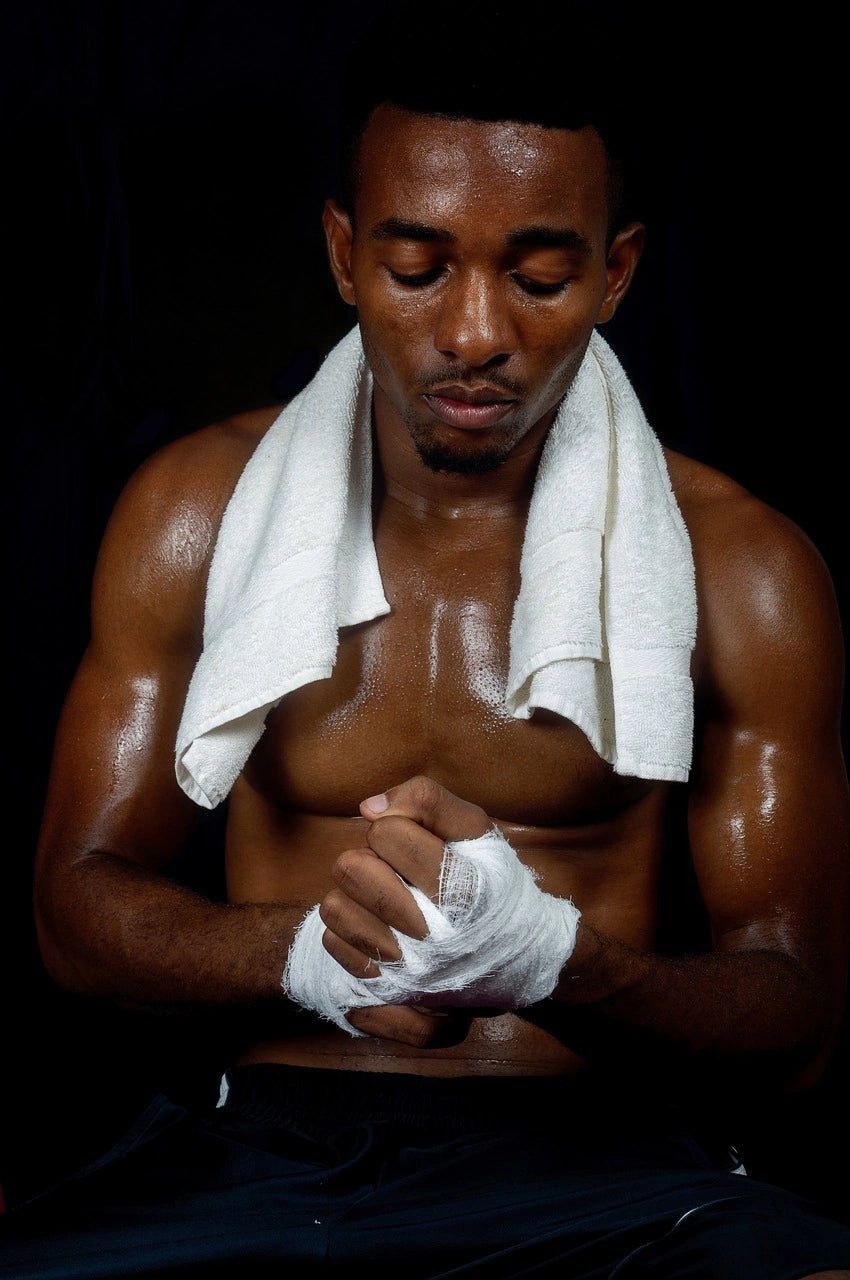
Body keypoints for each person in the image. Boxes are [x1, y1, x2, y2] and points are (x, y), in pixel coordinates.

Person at [3, 2, 849, 1276]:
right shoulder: (194, 515)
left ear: (615, 274)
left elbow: (796, 1019)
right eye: (416, 268)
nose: (472, 333)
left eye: (540, 275)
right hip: (266, 1154)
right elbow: (74, 904)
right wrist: (301, 954)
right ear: (344, 255)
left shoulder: (742, 568)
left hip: (600, 1162)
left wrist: (553, 961)